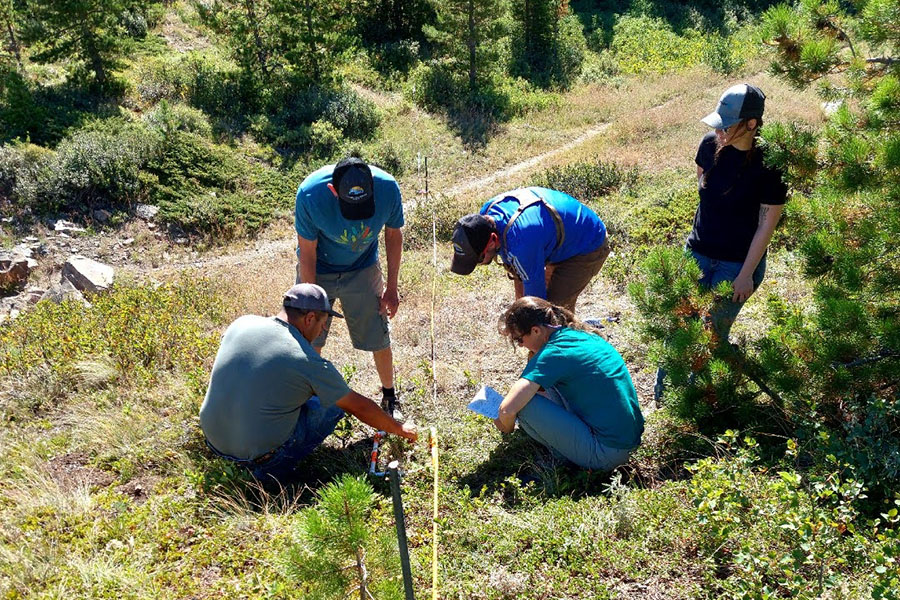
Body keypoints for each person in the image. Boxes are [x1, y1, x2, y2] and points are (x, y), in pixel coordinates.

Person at [199, 283, 417, 484]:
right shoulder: (305, 360)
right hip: (262, 459)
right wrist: (399, 428)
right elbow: (358, 405)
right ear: (310, 318)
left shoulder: (243, 323)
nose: (322, 330)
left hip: (213, 442)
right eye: (323, 323)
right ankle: (271, 474)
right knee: (332, 405)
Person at [654, 83, 788, 401]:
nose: (720, 131)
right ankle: (666, 400)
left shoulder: (770, 163)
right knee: (678, 328)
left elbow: (767, 224)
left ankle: (697, 405)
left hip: (737, 264)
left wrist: (745, 274)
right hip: (697, 253)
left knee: (711, 337)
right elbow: (702, 181)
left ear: (752, 124)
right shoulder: (709, 145)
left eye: (726, 125)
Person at [295, 156, 404, 415]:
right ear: (334, 191)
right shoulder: (310, 195)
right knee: (309, 337)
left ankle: (390, 397)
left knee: (378, 333)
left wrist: (391, 287)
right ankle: (304, 402)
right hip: (319, 267)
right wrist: (312, 303)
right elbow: (307, 254)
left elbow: (393, 234)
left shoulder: (387, 187)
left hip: (363, 266)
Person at [493, 296, 644, 471]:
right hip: (627, 440)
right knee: (536, 391)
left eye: (519, 339)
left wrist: (506, 427)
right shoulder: (581, 335)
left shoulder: (552, 354)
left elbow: (507, 409)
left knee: (525, 405)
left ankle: (563, 460)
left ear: (536, 331)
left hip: (606, 454)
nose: (520, 345)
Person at [449, 187, 609, 312]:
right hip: (553, 239)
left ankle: (578, 349)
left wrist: (525, 323)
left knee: (554, 314)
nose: (479, 264)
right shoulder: (488, 213)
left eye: (478, 259)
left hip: (587, 244)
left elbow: (537, 307)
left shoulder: (521, 242)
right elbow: (519, 273)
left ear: (492, 241)